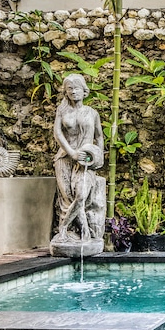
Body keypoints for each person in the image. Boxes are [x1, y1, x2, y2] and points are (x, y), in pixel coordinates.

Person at [53, 74, 105, 243]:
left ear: (84, 91)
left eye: (77, 88)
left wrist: (99, 157)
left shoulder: (92, 113)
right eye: (70, 89)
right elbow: (58, 133)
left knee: (81, 196)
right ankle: (83, 235)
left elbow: (99, 137)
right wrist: (71, 152)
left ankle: (64, 228)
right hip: (64, 158)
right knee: (67, 198)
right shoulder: (62, 111)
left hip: (85, 161)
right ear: (66, 92)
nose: (73, 91)